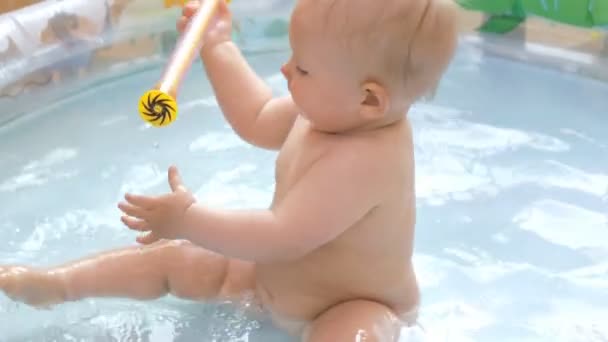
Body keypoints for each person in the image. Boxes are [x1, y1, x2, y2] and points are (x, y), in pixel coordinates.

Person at [0, 0, 457, 340]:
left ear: (369, 98)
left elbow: (281, 235)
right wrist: (217, 46)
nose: (285, 69)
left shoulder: (367, 161)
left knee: (354, 335)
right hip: (269, 279)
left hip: (349, 305)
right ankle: (60, 285)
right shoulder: (327, 114)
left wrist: (189, 219)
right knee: (172, 259)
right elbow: (257, 117)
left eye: (302, 67)